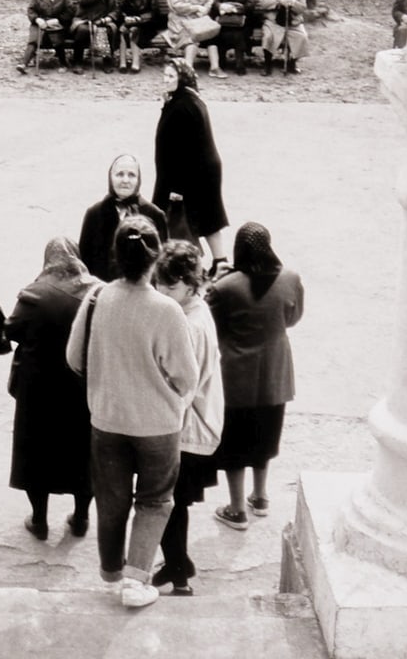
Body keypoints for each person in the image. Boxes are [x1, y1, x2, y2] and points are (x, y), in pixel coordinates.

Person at [65, 216, 197, 609]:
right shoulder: (168, 311)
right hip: (158, 425)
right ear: (155, 257)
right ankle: (137, 580)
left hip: (107, 419)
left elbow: (74, 358)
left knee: (111, 499)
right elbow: (187, 376)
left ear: (115, 255)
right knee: (155, 500)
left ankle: (110, 573)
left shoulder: (95, 299)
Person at [208, 223, 304, 531]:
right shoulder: (290, 279)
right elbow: (293, 317)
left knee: (234, 446)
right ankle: (260, 497)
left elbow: (213, 328)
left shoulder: (226, 288)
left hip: (237, 378)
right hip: (276, 373)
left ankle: (236, 510)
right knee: (265, 437)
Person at [6, 237, 100, 541]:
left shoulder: (35, 293)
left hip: (39, 390)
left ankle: (39, 520)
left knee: (37, 455)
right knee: (83, 455)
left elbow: (12, 329)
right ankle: (82, 516)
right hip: (82, 388)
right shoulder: (97, 291)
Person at [151, 241, 224, 595]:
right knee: (173, 505)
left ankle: (179, 576)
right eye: (160, 284)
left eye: (171, 286)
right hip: (194, 425)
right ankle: (178, 564)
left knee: (166, 505)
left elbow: (183, 389)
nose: (163, 292)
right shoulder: (194, 312)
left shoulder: (190, 326)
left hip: (185, 430)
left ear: (192, 284)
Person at [151, 58, 230, 274]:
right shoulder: (190, 99)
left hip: (189, 172)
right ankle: (220, 261)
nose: (165, 80)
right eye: (164, 75)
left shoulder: (181, 106)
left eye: (171, 77)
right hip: (203, 169)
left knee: (176, 216)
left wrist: (177, 188)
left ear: (182, 79)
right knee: (209, 216)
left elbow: (181, 150)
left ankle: (180, 264)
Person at [78, 154, 168, 281]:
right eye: (120, 174)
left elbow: (161, 263)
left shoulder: (154, 215)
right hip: (104, 291)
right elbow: (84, 261)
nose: (125, 180)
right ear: (110, 177)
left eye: (131, 175)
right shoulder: (94, 214)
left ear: (138, 180)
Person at [166, 0, 225, 78]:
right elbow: (177, 6)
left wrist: (205, 9)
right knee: (192, 36)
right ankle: (188, 69)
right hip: (181, 21)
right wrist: (196, 8)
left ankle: (214, 67)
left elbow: (209, 0)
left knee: (211, 34)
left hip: (200, 20)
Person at [16, 0, 73, 73]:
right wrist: (37, 19)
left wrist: (58, 20)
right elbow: (31, 9)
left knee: (57, 39)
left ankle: (63, 63)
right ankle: (24, 63)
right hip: (40, 22)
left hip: (57, 23)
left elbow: (70, 11)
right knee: (34, 39)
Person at [258, 0, 309, 75]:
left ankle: (292, 63)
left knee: (302, 37)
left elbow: (302, 8)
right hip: (273, 21)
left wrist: (293, 3)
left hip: (293, 22)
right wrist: (278, 1)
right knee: (269, 36)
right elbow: (263, 3)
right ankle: (267, 64)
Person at [70, 0, 119, 74]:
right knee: (83, 30)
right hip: (84, 19)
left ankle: (107, 60)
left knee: (111, 29)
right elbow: (83, 0)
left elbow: (115, 10)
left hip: (102, 21)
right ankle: (77, 61)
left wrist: (108, 18)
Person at [211, 0, 255, 76]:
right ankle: (221, 62)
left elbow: (250, 7)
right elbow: (215, 4)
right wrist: (221, 6)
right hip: (225, 23)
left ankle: (240, 64)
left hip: (242, 24)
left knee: (238, 35)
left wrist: (234, 8)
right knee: (220, 33)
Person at [116, 0, 160, 74]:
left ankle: (135, 63)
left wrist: (139, 19)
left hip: (147, 25)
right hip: (131, 22)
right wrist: (125, 17)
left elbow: (154, 13)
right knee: (122, 30)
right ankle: (123, 62)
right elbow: (121, 9)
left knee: (134, 31)